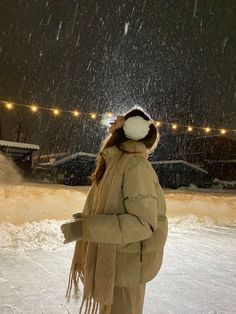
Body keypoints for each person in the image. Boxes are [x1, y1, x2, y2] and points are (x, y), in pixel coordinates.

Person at [61, 106, 168, 314]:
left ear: (130, 128)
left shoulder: (135, 166)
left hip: (126, 269)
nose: (114, 120)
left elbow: (142, 224)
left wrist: (87, 228)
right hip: (114, 266)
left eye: (121, 119)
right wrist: (86, 220)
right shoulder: (115, 163)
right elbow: (113, 209)